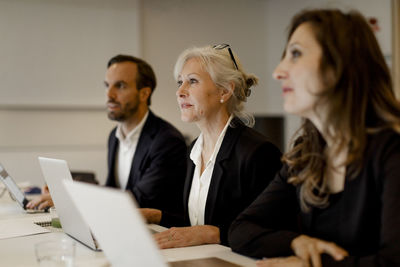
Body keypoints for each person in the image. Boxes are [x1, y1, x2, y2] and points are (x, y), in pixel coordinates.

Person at [228, 9, 400, 267]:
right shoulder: (305, 153)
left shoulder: (392, 151)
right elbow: (241, 229)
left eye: (295, 54)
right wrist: (296, 242)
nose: (278, 71)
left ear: (339, 66)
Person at [141, 45, 282, 248]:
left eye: (192, 81)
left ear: (224, 91)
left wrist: (216, 233)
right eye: (180, 82)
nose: (180, 91)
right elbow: (196, 227)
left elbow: (271, 229)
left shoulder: (258, 152)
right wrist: (156, 215)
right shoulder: (193, 150)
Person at [27, 55, 187, 216]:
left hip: (155, 232)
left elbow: (140, 199)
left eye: (120, 86)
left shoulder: (167, 141)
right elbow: (113, 190)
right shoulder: (114, 137)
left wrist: (73, 198)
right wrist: (68, 190)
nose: (109, 95)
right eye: (107, 85)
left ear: (144, 93)